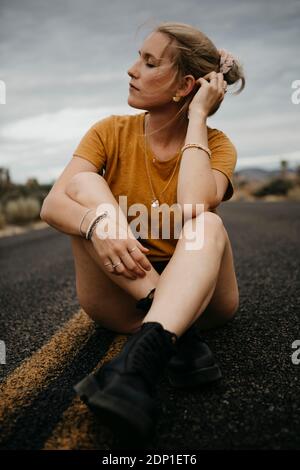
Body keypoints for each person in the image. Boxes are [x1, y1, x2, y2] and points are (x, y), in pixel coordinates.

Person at [40, 21, 245, 443]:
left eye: (149, 62)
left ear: (184, 86)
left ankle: (143, 360)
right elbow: (52, 204)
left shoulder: (218, 145)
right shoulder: (108, 131)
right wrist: (99, 226)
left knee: (207, 221)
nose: (131, 70)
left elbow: (192, 205)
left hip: (204, 300)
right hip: (121, 293)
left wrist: (198, 118)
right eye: (139, 57)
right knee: (81, 187)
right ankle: (170, 335)